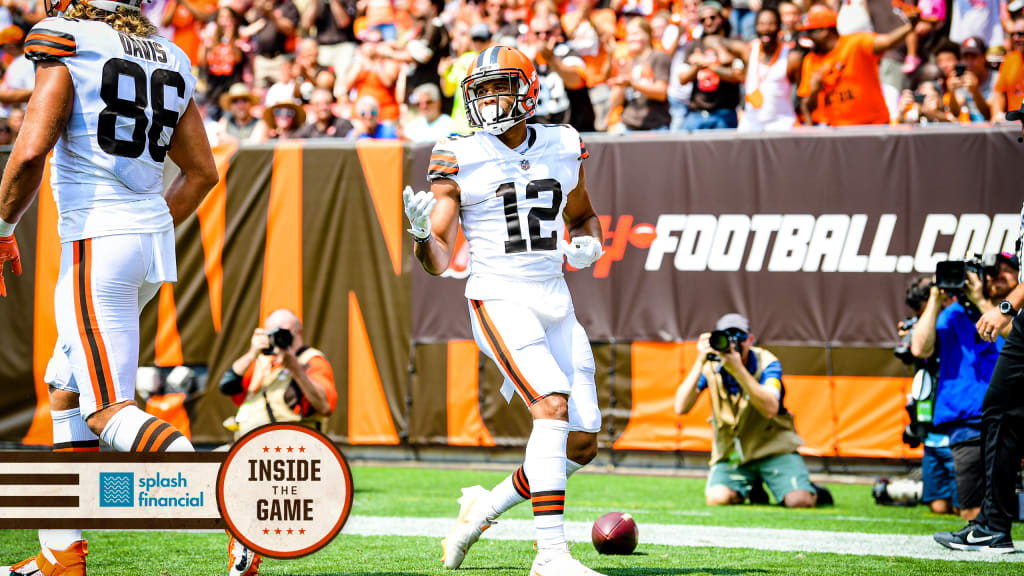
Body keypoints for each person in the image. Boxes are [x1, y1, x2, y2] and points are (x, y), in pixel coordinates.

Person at [0, 0, 219, 572]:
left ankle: (228, 506)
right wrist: (145, 223)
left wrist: (2, 228)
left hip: (98, 236)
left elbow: (29, 151)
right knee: (66, 391)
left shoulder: (68, 38)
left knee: (107, 412)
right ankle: (61, 554)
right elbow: (202, 172)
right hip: (146, 240)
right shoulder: (170, 52)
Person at [403, 45, 606, 575]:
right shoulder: (458, 151)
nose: (490, 99)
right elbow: (439, 259)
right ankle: (551, 558)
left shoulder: (563, 143)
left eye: (500, 87)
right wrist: (423, 236)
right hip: (498, 295)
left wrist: (589, 244)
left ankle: (480, 511)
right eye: (482, 89)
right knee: (552, 408)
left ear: (529, 89)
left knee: (582, 440)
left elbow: (583, 216)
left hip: (555, 300)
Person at [218, 308, 337, 575]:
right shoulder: (261, 363)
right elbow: (228, 385)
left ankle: (246, 541)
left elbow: (325, 405)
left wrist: (294, 366)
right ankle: (244, 547)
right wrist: (252, 352)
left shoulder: (312, 361)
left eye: (285, 333)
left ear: (298, 334)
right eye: (274, 334)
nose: (280, 339)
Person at [934, 210, 1024, 553]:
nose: (996, 275)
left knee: (999, 411)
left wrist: (1005, 305)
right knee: (1005, 415)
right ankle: (993, 524)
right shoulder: (952, 313)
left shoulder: (1001, 302)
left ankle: (992, 526)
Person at [674, 314, 827, 508]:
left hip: (773, 449)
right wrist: (699, 362)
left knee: (799, 501)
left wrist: (738, 369)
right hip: (734, 453)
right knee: (717, 499)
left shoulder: (767, 363)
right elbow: (681, 407)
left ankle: (814, 491)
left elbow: (771, 408)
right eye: (726, 336)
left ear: (751, 340)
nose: (733, 343)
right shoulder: (711, 365)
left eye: (740, 337)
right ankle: (751, 487)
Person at [911, 270, 1003, 523]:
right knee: (970, 508)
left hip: (1003, 413)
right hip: (964, 417)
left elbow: (1015, 340)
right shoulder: (949, 315)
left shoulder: (1002, 310)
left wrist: (981, 301)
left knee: (998, 500)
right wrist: (934, 298)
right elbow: (920, 348)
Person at [902, 276, 958, 516]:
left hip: (957, 427)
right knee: (938, 506)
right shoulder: (918, 328)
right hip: (931, 427)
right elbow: (913, 352)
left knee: (964, 507)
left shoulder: (957, 317)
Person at [717, 7, 802, 132]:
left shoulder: (790, 56)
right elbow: (712, 40)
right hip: (751, 125)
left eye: (771, 24)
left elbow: (801, 92)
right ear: (755, 27)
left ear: (779, 27)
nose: (766, 29)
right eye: (761, 24)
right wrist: (720, 52)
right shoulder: (748, 51)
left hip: (782, 125)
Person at [525, 11, 596, 132]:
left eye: (547, 32)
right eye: (538, 33)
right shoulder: (527, 60)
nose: (543, 37)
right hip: (539, 133)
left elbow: (576, 82)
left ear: (557, 31)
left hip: (572, 130)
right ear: (531, 35)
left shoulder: (569, 53)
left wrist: (551, 59)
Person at [677, 2, 742, 130]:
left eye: (712, 17)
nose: (708, 22)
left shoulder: (734, 44)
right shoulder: (694, 45)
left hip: (724, 113)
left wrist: (707, 64)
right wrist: (696, 67)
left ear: (721, 17)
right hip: (697, 113)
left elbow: (737, 76)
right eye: (703, 19)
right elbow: (682, 78)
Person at [608, 16, 671, 132]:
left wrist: (632, 84)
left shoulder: (659, 57)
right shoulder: (626, 62)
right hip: (628, 126)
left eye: (636, 33)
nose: (632, 38)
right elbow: (615, 102)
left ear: (647, 35)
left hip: (656, 127)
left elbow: (661, 93)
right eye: (629, 34)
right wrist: (622, 78)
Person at [946, 36, 994, 122]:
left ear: (984, 57)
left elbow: (989, 115)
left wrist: (975, 92)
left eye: (974, 57)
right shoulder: (961, 78)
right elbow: (955, 113)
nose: (969, 62)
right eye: (966, 57)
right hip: (969, 131)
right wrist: (951, 92)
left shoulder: (995, 79)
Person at [993, 17, 1024, 121]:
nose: (1015, 38)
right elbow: (999, 93)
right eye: (1012, 34)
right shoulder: (1009, 59)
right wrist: (997, 115)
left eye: (1020, 34)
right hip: (1014, 126)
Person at [0, 25, 34, 119]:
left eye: (2, 46)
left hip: (22, 117)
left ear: (10, 46)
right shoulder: (16, 61)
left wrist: (6, 97)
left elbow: (35, 91)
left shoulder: (27, 62)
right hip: (10, 117)